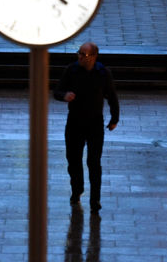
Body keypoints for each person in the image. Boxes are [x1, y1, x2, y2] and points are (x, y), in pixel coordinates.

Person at [54, 42, 119, 212]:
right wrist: (64, 96)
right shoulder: (71, 70)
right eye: (80, 53)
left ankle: (95, 199)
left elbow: (112, 96)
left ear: (94, 57)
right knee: (73, 159)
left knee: (94, 162)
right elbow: (57, 91)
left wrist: (114, 119)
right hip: (75, 122)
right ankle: (77, 189)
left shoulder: (103, 73)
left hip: (95, 123)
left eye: (84, 54)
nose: (80, 57)